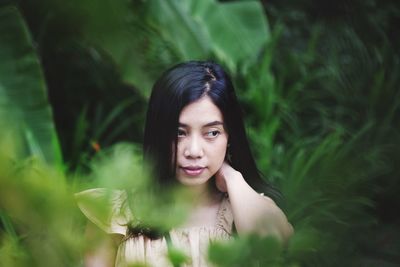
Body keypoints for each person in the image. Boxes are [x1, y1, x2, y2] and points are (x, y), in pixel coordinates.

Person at [76, 61, 293, 267]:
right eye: (179, 133)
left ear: (229, 137)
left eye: (212, 133)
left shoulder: (244, 206)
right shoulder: (115, 216)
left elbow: (272, 248)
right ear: (158, 133)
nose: (194, 151)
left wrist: (231, 177)